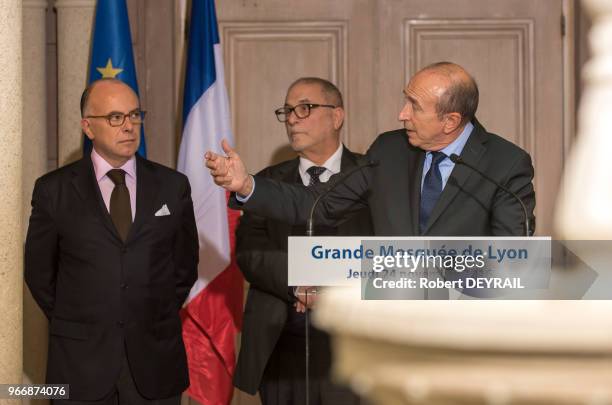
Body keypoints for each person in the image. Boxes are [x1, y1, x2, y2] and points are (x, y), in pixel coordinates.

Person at [206, 62, 536, 236]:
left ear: (450, 121)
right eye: (405, 100)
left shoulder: (505, 164)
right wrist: (246, 185)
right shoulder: (389, 150)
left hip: (464, 333)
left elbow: (510, 259)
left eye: (415, 106)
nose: (401, 114)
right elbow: (317, 204)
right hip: (387, 328)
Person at [24, 78, 199, 405]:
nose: (129, 126)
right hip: (80, 365)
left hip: (155, 363)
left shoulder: (173, 186)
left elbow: (184, 267)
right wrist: (86, 318)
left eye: (135, 115)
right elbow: (39, 274)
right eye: (116, 117)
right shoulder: (53, 190)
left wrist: (145, 312)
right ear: (88, 127)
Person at [233, 77, 371, 404]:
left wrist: (330, 289)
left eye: (304, 108)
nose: (293, 118)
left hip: (354, 345)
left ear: (337, 116)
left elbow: (387, 251)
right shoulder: (266, 183)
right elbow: (251, 252)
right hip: (282, 348)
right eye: (287, 111)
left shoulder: (372, 176)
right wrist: (300, 286)